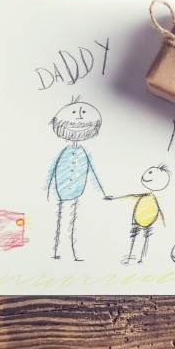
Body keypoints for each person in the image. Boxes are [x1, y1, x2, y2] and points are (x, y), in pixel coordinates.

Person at [46, 97, 107, 261]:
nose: (79, 117)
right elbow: (53, 170)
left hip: (76, 189)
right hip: (62, 189)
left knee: (71, 220)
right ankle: (56, 251)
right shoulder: (65, 151)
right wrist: (49, 190)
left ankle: (71, 251)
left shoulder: (83, 153)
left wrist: (102, 192)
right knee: (61, 218)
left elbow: (92, 172)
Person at [106, 164, 170, 264]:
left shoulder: (151, 198)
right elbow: (129, 196)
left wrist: (163, 222)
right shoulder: (146, 196)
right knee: (137, 237)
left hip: (147, 221)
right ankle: (133, 257)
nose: (146, 175)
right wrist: (114, 198)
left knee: (143, 237)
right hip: (139, 219)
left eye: (150, 173)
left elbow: (159, 211)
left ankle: (140, 258)